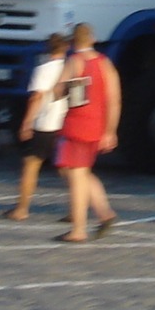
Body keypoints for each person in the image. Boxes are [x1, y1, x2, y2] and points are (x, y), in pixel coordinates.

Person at [53, 23, 119, 244]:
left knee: (77, 176)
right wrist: (110, 131)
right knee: (78, 171)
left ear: (73, 42)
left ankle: (78, 229)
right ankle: (104, 212)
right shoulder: (104, 63)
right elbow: (114, 99)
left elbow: (57, 91)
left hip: (77, 125)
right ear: (92, 38)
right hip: (97, 126)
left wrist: (69, 89)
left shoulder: (74, 61)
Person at [0, 33, 69, 220]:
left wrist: (27, 122)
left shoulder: (44, 69)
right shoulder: (70, 68)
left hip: (45, 123)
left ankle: (22, 208)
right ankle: (75, 208)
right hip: (64, 121)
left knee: (31, 164)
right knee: (66, 167)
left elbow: (36, 97)